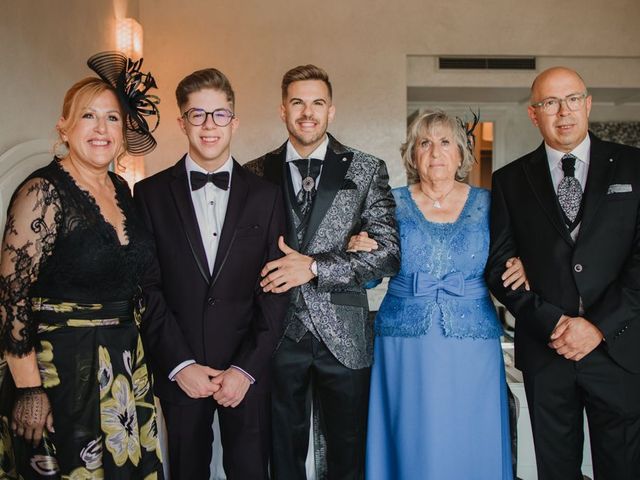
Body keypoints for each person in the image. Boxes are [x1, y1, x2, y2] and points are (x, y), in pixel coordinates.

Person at [0, 51, 163, 478]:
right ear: (64, 126)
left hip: (125, 367)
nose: (101, 128)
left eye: (112, 118)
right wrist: (29, 388)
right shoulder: (41, 191)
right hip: (62, 373)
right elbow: (11, 296)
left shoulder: (122, 189)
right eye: (89, 116)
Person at [245, 64, 400, 479]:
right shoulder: (254, 172)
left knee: (348, 456)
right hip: (277, 333)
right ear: (283, 111)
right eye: (297, 102)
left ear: (331, 111)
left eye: (317, 103)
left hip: (346, 337)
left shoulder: (366, 169)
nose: (307, 112)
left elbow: (387, 255)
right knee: (282, 454)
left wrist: (314, 266)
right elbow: (240, 256)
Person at [134, 67, 289, 479]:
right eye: (197, 114)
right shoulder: (148, 194)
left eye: (219, 114)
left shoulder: (268, 197)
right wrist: (179, 364)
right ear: (181, 121)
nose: (209, 126)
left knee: (251, 471)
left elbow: (277, 289)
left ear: (234, 122)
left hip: (247, 369)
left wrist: (246, 369)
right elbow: (146, 287)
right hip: (180, 366)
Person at [486, 67, 640, 480]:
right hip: (546, 352)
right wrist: (552, 322)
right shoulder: (508, 181)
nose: (563, 111)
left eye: (572, 99)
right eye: (550, 103)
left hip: (619, 350)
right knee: (555, 471)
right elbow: (498, 269)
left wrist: (596, 326)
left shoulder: (633, 166)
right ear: (534, 115)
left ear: (588, 104)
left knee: (624, 467)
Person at [362, 110, 519, 479]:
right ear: (412, 154)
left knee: (468, 435)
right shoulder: (388, 203)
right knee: (411, 435)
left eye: (445, 142)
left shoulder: (490, 204)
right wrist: (361, 252)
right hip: (403, 342)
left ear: (462, 153)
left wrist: (526, 261)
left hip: (471, 343)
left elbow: (510, 258)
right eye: (425, 143)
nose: (435, 152)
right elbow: (368, 279)